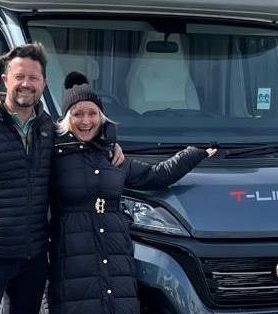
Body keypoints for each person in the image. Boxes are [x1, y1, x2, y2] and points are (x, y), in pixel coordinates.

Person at [0, 44, 123, 314]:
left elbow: (82, 143)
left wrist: (111, 146)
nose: (26, 84)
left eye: (33, 78)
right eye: (19, 77)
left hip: (32, 257)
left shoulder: (48, 128)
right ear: (5, 80)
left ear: (44, 82)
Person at [48, 72, 217, 314]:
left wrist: (193, 153)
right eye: (78, 114)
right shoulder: (53, 155)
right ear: (66, 119)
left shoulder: (114, 157)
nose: (86, 121)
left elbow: (156, 176)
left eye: (92, 113)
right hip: (73, 258)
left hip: (116, 256)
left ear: (101, 117)